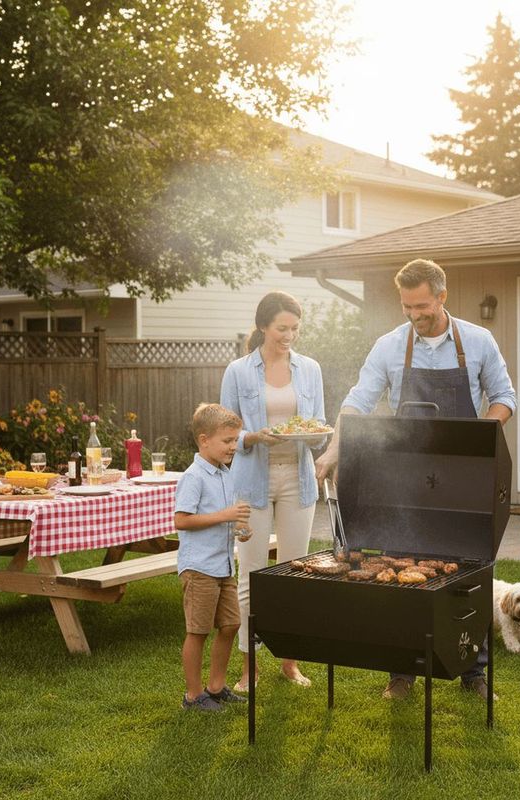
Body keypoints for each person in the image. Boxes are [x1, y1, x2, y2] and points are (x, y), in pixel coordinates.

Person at [314, 258, 516, 701]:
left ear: (442, 297)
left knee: (471, 572)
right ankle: (401, 673)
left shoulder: (478, 340)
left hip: (464, 477)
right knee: (400, 569)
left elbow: (504, 397)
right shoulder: (389, 346)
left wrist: (479, 439)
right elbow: (357, 403)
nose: (413, 314)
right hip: (404, 477)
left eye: (421, 306)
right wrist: (333, 449)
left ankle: (473, 673)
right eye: (406, 306)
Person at [221, 291, 327, 693]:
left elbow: (318, 427)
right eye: (282, 328)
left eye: (295, 328)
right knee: (251, 575)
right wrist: (252, 437)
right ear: (264, 326)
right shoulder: (238, 371)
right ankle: (249, 669)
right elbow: (226, 433)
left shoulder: (310, 369)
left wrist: (315, 435)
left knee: (293, 574)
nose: (289, 336)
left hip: (298, 480)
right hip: (252, 482)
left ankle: (289, 661)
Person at [175, 403, 251, 712]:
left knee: (231, 624)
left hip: (223, 566)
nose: (233, 446)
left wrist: (239, 529)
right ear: (204, 440)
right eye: (227, 441)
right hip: (199, 568)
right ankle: (193, 696)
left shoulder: (225, 474)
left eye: (235, 440)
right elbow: (182, 520)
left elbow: (224, 517)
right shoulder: (194, 477)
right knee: (198, 632)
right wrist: (225, 516)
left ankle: (216, 688)